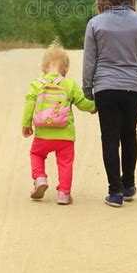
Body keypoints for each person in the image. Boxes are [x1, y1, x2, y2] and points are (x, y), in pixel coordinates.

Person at [82, 0, 137, 207]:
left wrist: (87, 91)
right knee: (129, 135)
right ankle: (129, 185)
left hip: (105, 88)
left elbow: (89, 62)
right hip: (132, 87)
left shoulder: (95, 23)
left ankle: (114, 192)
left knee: (109, 138)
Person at [21, 40, 96, 205]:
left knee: (36, 154)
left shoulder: (36, 85)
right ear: (66, 69)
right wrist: (95, 106)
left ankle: (40, 178)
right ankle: (63, 193)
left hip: (42, 134)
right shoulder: (69, 84)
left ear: (43, 67)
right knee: (65, 163)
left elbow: (29, 105)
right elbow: (82, 103)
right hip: (65, 136)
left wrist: (26, 125)